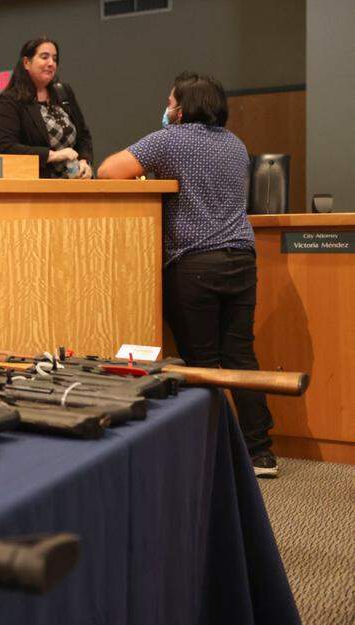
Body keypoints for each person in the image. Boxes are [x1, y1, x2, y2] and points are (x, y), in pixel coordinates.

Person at [97, 72, 277, 477]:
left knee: (201, 362)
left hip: (195, 263)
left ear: (182, 107)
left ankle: (212, 452)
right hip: (242, 259)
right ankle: (260, 451)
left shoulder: (171, 140)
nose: (167, 109)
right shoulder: (236, 144)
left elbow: (108, 171)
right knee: (241, 356)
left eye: (170, 102)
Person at [0, 37, 94, 179]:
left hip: (76, 182)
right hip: (38, 186)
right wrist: (52, 155)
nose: (51, 63)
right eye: (44, 57)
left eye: (54, 58)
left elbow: (83, 135)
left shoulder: (64, 92)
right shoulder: (10, 100)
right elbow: (5, 147)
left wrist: (85, 161)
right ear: (27, 63)